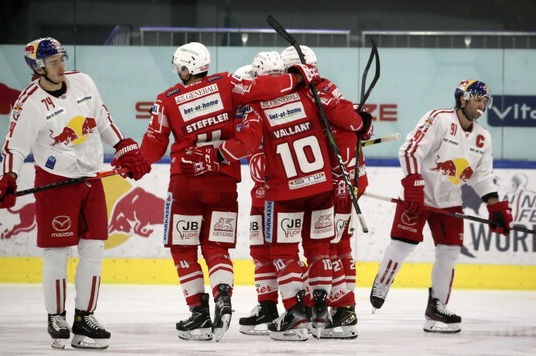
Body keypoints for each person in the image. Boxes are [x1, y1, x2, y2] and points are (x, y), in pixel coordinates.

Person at [181, 51, 366, 341]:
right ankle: (320, 311)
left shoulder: (258, 108)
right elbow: (343, 119)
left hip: (285, 192)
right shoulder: (309, 97)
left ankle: (295, 312)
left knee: (282, 252)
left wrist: (214, 154)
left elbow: (245, 143)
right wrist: (362, 124)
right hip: (321, 188)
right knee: (319, 248)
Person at [138, 42, 316, 342]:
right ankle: (223, 297)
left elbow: (153, 145)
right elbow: (266, 89)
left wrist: (132, 164)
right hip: (223, 181)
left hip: (186, 182)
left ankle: (199, 315)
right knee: (216, 247)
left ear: (184, 68)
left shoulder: (166, 100)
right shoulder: (226, 83)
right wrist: (296, 78)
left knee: (183, 248)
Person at [0, 37, 151, 350]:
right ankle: (56, 316)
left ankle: (84, 317)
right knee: (57, 252)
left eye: (61, 58)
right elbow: (15, 146)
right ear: (38, 68)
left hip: (91, 179)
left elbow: (103, 120)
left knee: (94, 250)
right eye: (53, 62)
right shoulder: (30, 103)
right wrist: (8, 177)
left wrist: (125, 147)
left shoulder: (84, 83)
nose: (61, 65)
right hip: (56, 181)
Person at [369, 79, 513, 333]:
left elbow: (481, 177)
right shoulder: (440, 119)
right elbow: (410, 151)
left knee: (449, 253)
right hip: (418, 195)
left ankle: (436, 310)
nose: (482, 105)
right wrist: (413, 184)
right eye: (478, 99)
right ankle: (382, 281)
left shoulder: (483, 138)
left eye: (485, 101)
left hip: (450, 202)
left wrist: (495, 206)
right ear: (463, 99)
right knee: (403, 246)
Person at [280, 45, 373, 340]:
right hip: (342, 181)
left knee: (329, 247)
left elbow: (352, 121)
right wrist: (363, 124)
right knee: (338, 245)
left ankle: (342, 309)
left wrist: (360, 123)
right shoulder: (323, 92)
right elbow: (356, 123)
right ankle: (342, 309)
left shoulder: (308, 94)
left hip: (330, 185)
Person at [234, 52, 285, 336]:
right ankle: (267, 306)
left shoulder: (278, 104)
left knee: (283, 252)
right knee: (259, 251)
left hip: (281, 192)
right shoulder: (251, 104)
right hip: (260, 193)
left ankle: (301, 306)